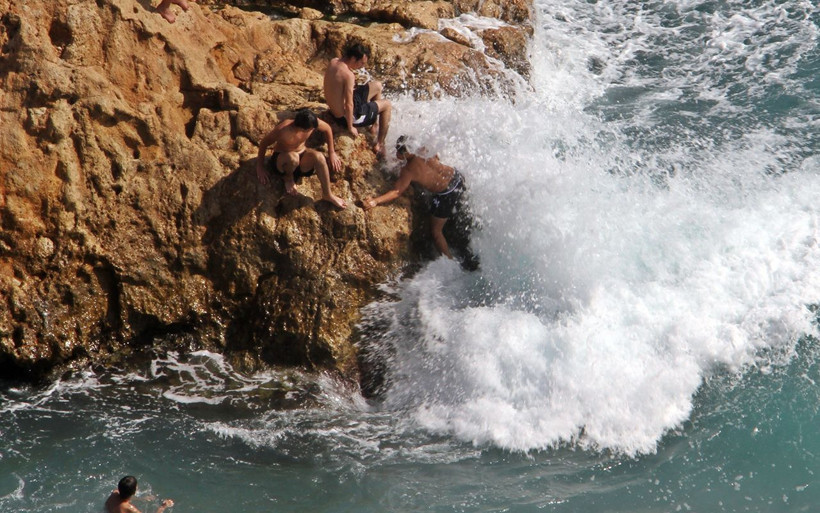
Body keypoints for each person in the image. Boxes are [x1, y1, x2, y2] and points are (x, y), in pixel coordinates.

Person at [362, 136, 469, 261]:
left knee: (436, 232)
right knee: (463, 212)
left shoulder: (408, 171)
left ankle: (450, 262)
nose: (396, 154)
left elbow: (396, 192)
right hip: (457, 178)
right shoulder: (425, 151)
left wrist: (375, 201)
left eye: (398, 151)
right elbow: (436, 158)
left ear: (404, 153)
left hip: (446, 195)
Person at [255, 108, 347, 209]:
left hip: (301, 158)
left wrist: (331, 152)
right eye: (310, 129)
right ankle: (288, 179)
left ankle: (327, 194)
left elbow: (327, 128)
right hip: (283, 162)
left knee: (319, 157)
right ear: (302, 129)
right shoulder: (284, 129)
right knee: (293, 158)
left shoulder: (311, 121)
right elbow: (264, 143)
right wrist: (260, 167)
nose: (312, 130)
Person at [323, 43, 392, 157]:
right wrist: (350, 127)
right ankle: (380, 144)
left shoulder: (334, 61)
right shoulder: (348, 75)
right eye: (361, 63)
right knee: (387, 105)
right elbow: (349, 105)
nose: (362, 67)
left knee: (378, 86)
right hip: (347, 117)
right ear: (353, 58)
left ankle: (374, 126)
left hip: (335, 109)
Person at [105, 475, 174, 513]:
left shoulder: (114, 493)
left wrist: (141, 499)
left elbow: (123, 497)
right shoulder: (129, 508)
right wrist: (163, 506)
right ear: (134, 491)